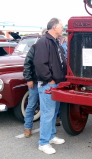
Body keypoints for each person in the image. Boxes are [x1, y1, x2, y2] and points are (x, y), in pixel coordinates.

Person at [34, 18, 67, 155]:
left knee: (53, 112)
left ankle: (51, 136)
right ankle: (43, 142)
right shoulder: (44, 42)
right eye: (61, 26)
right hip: (48, 84)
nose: (62, 29)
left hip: (56, 83)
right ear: (54, 27)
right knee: (47, 113)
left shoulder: (55, 42)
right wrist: (49, 80)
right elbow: (40, 64)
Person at [23, 29, 47, 138]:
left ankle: (48, 128)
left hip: (46, 81)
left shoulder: (51, 48)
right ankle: (27, 127)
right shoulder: (35, 48)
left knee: (47, 105)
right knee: (31, 105)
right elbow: (27, 64)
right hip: (36, 81)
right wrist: (29, 79)